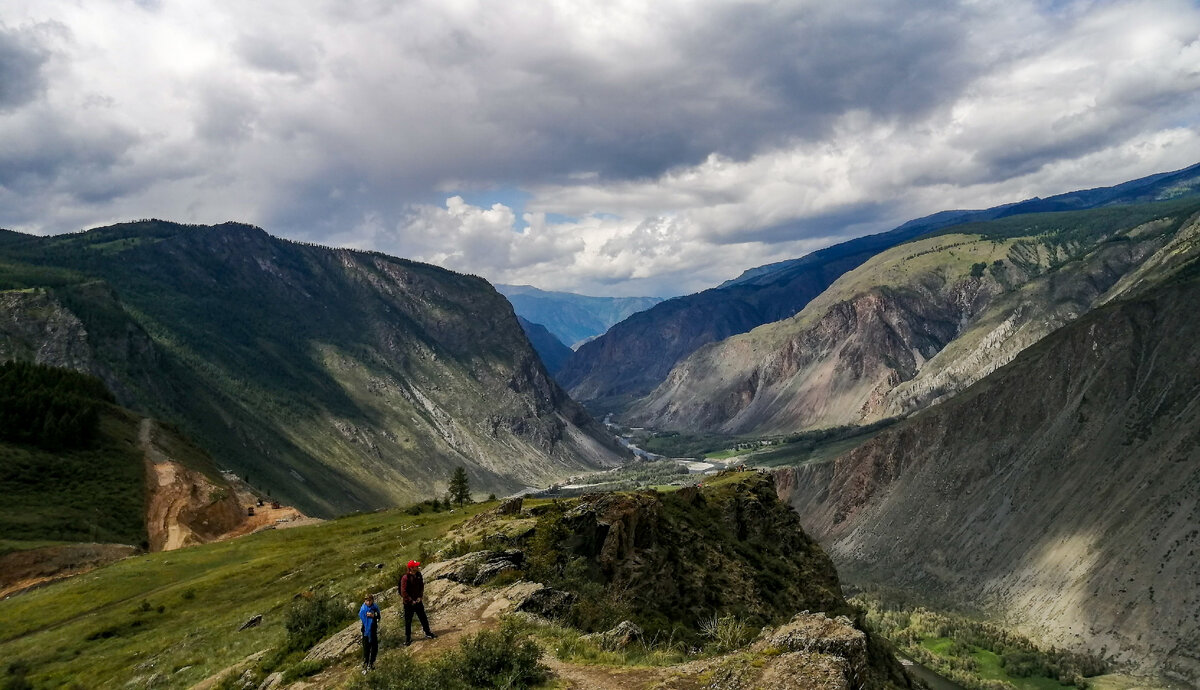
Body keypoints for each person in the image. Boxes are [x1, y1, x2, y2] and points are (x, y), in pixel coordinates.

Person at [398, 559, 436, 645]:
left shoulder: (418, 575)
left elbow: (421, 586)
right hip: (408, 604)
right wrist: (411, 600)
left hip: (418, 601)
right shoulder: (405, 578)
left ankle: (428, 632)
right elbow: (403, 591)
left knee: (423, 617)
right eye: (416, 566)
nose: (418, 567)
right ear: (411, 568)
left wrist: (420, 596)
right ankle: (408, 639)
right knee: (408, 621)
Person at [358, 593, 381, 672]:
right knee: (366, 649)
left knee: (374, 648)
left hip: (373, 629)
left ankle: (371, 663)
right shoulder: (363, 609)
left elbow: (378, 616)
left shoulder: (374, 607)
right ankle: (365, 664)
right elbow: (361, 615)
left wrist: (373, 616)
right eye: (367, 601)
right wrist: (366, 614)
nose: (368, 602)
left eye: (369, 601)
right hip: (366, 631)